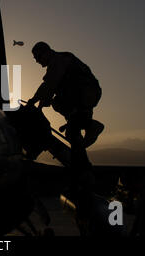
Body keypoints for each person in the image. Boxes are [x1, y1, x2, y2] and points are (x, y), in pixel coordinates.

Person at [27, 41, 104, 173]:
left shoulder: (59, 60)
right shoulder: (57, 63)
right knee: (73, 133)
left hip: (84, 95)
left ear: (46, 53)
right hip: (81, 96)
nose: (37, 61)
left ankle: (90, 126)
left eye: (38, 57)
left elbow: (48, 85)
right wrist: (37, 102)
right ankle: (83, 126)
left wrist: (34, 102)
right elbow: (47, 86)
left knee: (72, 132)